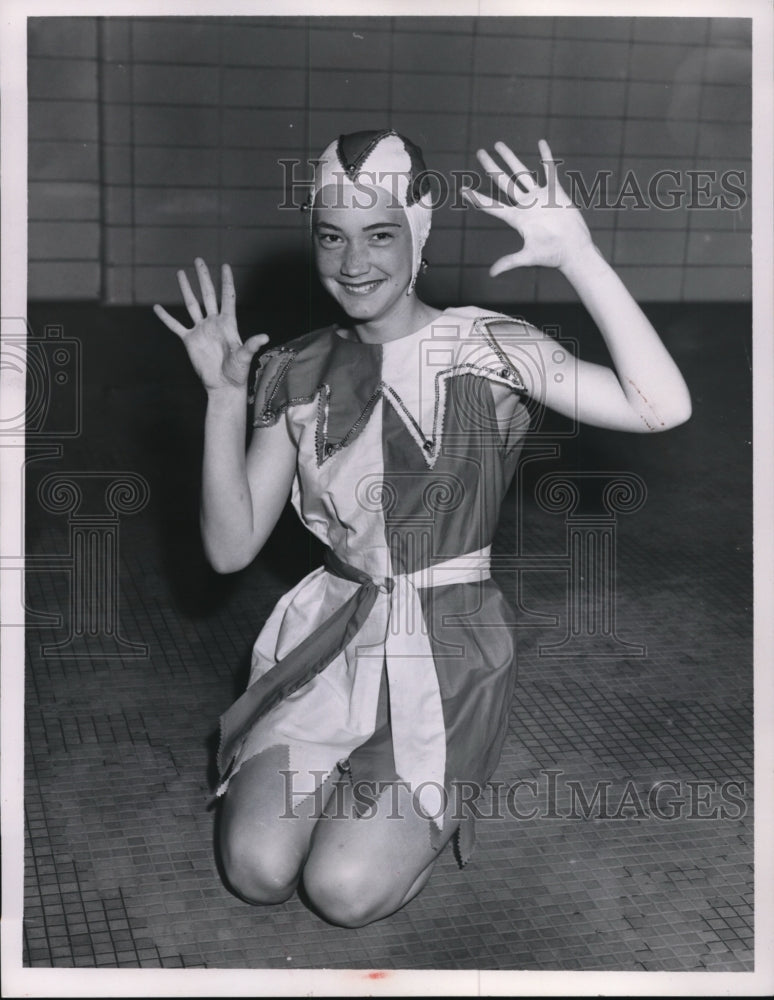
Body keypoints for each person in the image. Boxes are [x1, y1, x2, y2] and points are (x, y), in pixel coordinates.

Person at [153, 129, 691, 928]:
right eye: (332, 238)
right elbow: (230, 548)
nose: (353, 263)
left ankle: (411, 796)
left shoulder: (485, 346)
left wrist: (579, 255)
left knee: (341, 892)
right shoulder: (292, 366)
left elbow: (662, 405)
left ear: (419, 235)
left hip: (446, 651)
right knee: (257, 871)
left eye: (379, 235)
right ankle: (356, 779)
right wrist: (224, 400)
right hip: (330, 634)